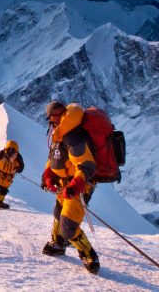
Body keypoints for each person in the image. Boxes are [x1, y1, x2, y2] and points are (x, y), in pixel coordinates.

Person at [40, 101, 100, 274]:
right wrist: (48, 175)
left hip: (78, 188)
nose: (51, 120)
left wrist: (76, 186)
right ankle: (57, 243)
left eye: (52, 116)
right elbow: (54, 159)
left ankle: (89, 254)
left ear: (59, 115)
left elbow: (86, 165)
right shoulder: (59, 134)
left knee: (68, 225)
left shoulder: (72, 135)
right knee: (58, 214)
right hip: (64, 185)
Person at [0, 140, 24, 210]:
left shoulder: (18, 157)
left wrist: (17, 169)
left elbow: (21, 167)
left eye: (13, 151)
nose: (11, 153)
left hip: (8, 177)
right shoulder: (0, 154)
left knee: (3, 190)